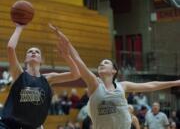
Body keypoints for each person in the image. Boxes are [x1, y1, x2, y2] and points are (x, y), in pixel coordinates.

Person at [49, 24, 180, 129]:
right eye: (100, 63)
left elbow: (151, 85)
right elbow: (78, 59)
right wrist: (66, 41)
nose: (101, 64)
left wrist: (175, 82)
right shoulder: (94, 84)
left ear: (113, 70)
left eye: (105, 63)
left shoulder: (123, 86)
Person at [0, 24, 80, 129]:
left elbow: (75, 74)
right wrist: (19, 27)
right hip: (9, 125)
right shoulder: (19, 74)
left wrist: (67, 56)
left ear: (42, 60)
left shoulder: (48, 78)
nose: (33, 52)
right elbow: (10, 48)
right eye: (30, 51)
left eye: (37, 52)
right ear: (25, 59)